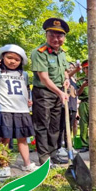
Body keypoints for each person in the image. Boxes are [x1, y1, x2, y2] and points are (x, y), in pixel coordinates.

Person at [0, 45, 37, 177]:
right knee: (4, 139)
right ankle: (3, 165)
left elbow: (26, 89)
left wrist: (29, 100)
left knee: (22, 138)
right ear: (2, 57)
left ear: (21, 62)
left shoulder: (23, 74)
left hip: (22, 110)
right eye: (9, 57)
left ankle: (27, 163)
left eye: (16, 59)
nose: (12, 61)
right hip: (4, 109)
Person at [31, 17, 70, 166]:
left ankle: (53, 153)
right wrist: (60, 93)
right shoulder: (39, 52)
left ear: (64, 37)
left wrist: (66, 79)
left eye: (59, 36)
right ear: (46, 35)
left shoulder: (62, 53)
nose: (55, 39)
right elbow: (44, 78)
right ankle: (44, 157)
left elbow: (64, 71)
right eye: (52, 35)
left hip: (58, 92)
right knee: (42, 125)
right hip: (43, 93)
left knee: (55, 125)